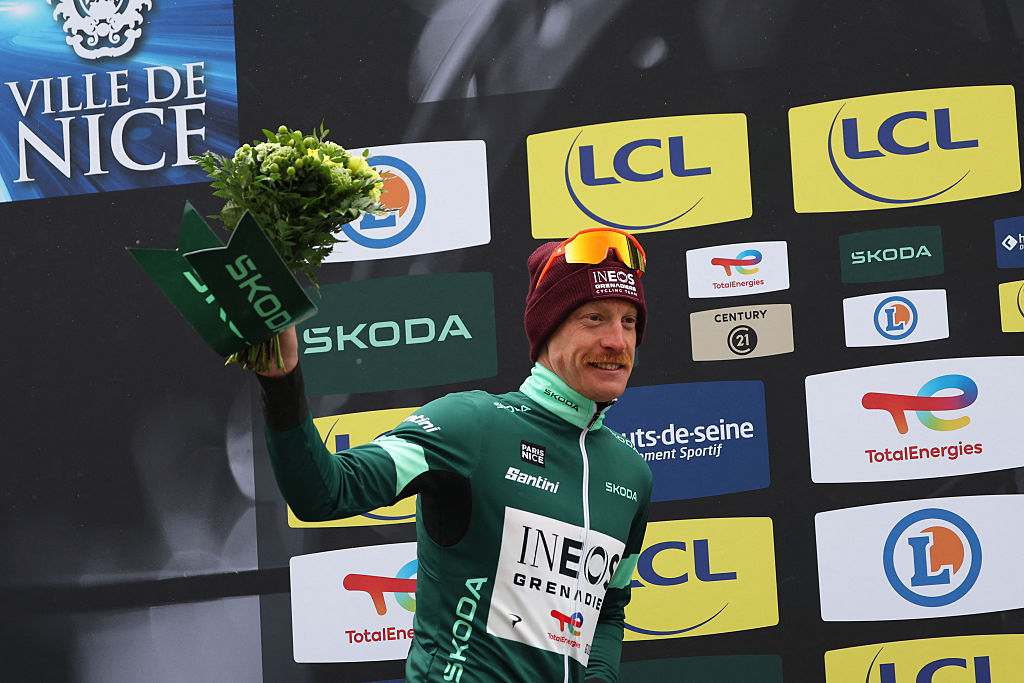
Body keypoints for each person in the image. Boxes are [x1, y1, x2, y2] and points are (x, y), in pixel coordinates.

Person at [256, 227, 653, 682]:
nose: (617, 342)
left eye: (629, 322)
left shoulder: (630, 473)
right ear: (547, 331)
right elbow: (324, 492)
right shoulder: (473, 425)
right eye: (594, 318)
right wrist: (281, 382)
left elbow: (607, 611)